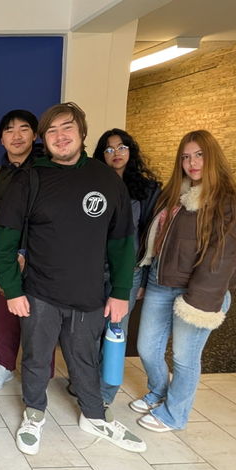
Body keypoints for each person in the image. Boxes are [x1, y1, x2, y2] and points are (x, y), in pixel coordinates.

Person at [0, 102, 146, 455]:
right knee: (35, 358)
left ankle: (94, 416)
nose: (61, 137)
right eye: (52, 131)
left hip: (89, 294)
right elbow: (2, 239)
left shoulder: (105, 179)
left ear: (81, 134)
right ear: (44, 139)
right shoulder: (30, 179)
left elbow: (123, 243)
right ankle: (34, 413)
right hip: (40, 293)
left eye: (67, 129)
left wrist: (121, 292)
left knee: (85, 360)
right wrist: (12, 291)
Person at [133, 130, 236, 432]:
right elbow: (156, 241)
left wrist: (198, 301)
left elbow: (222, 258)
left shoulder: (229, 202)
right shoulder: (175, 192)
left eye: (199, 154)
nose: (192, 162)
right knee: (147, 348)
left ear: (212, 156)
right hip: (162, 282)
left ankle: (175, 414)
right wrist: (147, 277)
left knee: (185, 358)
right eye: (186, 156)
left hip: (197, 293)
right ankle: (159, 392)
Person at [91, 128, 161, 405]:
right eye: (108, 149)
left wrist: (143, 279)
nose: (115, 154)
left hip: (129, 272)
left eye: (121, 148)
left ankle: (104, 393)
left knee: (115, 331)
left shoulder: (147, 190)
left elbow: (152, 236)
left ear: (131, 151)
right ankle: (88, 380)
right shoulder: (94, 185)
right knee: (91, 330)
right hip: (95, 270)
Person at [0, 109, 37, 391]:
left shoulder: (48, 174)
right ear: (1, 139)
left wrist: (26, 254)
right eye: (9, 130)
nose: (17, 136)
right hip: (2, 261)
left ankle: (40, 374)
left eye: (24, 129)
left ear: (35, 135)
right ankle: (4, 365)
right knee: (2, 318)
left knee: (40, 322)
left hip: (41, 262)